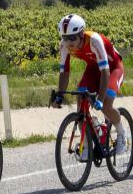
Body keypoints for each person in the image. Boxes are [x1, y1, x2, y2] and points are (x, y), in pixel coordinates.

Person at [52, 13, 127, 157]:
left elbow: (105, 72)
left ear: (81, 33)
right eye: (65, 38)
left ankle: (122, 134)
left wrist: (100, 98)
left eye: (72, 38)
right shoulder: (64, 46)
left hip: (112, 68)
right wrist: (60, 96)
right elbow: (64, 72)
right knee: (80, 103)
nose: (69, 42)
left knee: (106, 105)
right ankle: (86, 144)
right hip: (93, 69)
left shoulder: (94, 40)